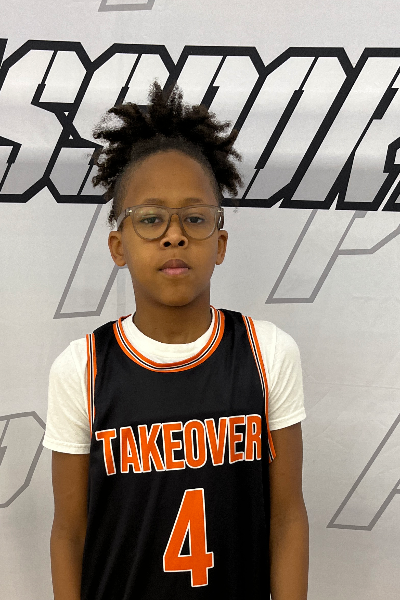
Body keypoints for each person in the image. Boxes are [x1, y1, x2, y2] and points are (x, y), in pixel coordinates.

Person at [43, 80, 309, 599]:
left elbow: (287, 518)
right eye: (150, 219)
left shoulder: (267, 352)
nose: (174, 234)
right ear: (118, 246)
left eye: (194, 217)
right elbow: (69, 533)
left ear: (220, 243)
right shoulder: (82, 368)